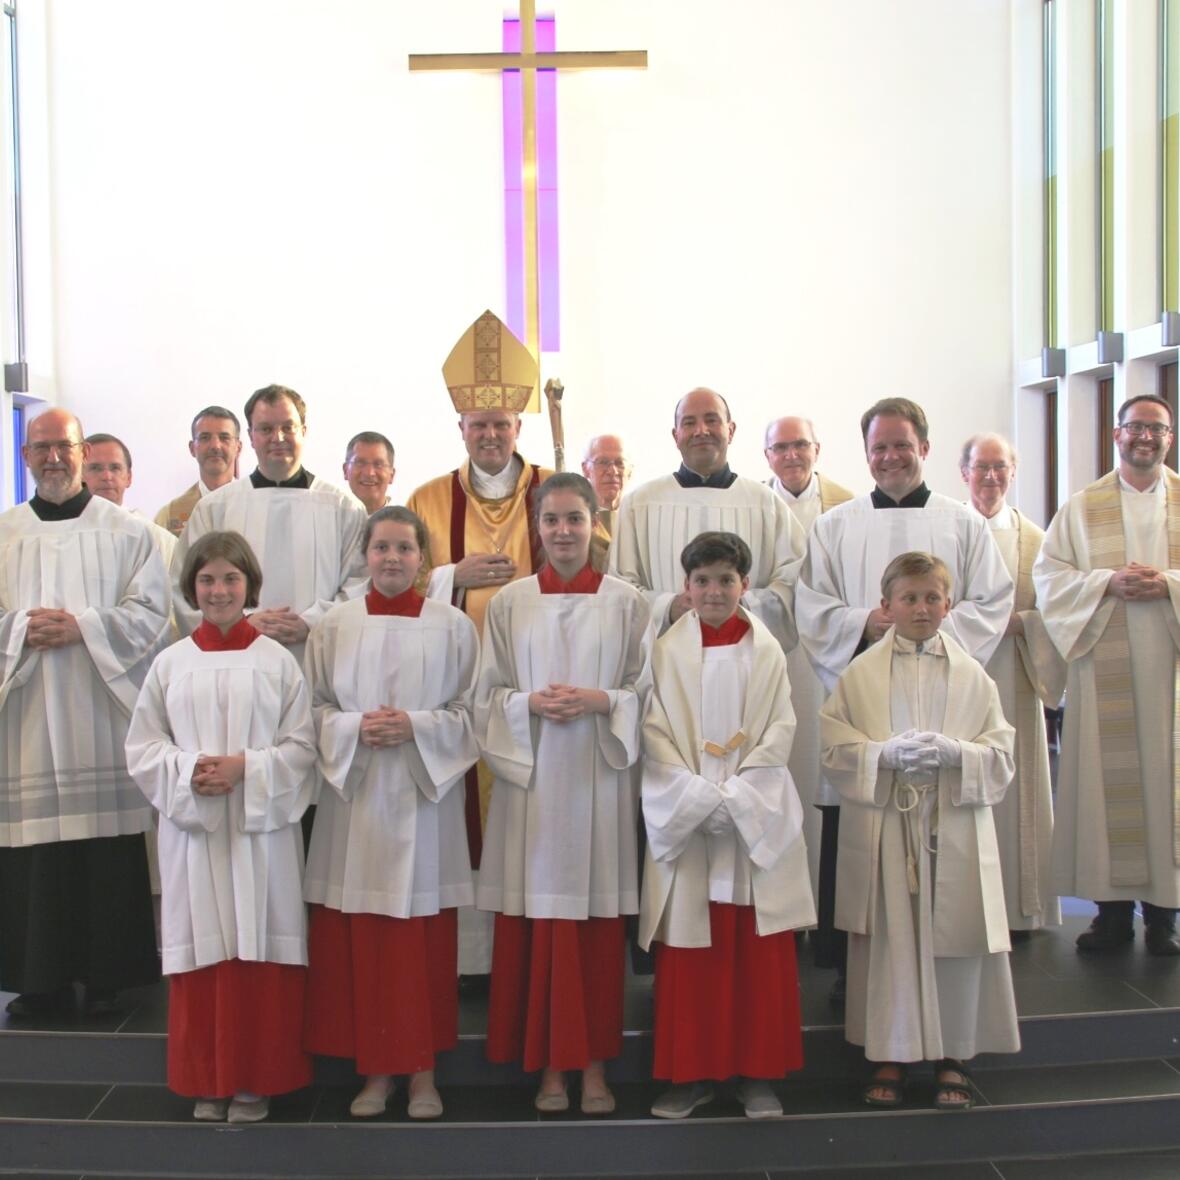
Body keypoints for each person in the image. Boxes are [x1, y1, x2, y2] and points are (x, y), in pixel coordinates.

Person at [796, 397, 1013, 1005]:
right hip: (867, 701)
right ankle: (852, 971)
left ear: (925, 447)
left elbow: (991, 602)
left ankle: (942, 967)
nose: (890, 456)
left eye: (901, 444)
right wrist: (867, 622)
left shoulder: (963, 522)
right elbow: (812, 607)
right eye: (879, 447)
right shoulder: (835, 526)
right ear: (866, 453)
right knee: (858, 828)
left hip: (944, 700)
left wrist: (928, 636)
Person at [125, 531, 317, 1123]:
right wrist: (188, 773)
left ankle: (256, 1080)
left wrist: (247, 769)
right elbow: (143, 746)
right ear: (192, 588)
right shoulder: (170, 662)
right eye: (206, 579)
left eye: (230, 579)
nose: (218, 590)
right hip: (196, 833)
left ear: (249, 586)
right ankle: (208, 1078)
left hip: (261, 837)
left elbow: (304, 747)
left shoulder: (277, 661)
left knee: (258, 950)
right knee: (203, 954)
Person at [820, 551, 1018, 1111]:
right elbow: (833, 750)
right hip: (888, 827)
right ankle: (889, 1052)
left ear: (949, 605)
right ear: (886, 605)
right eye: (909, 598)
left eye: (932, 597)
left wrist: (959, 754)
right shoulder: (857, 675)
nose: (921, 608)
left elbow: (1001, 755)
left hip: (950, 822)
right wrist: (882, 755)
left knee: (952, 939)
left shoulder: (974, 675)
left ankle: (953, 1054)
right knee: (891, 941)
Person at [475, 473, 648, 1115]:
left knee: (597, 932)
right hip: (535, 787)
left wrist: (601, 700)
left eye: (576, 519)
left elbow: (647, 693)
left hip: (600, 784)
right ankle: (550, 1068)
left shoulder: (627, 602)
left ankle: (595, 1067)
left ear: (594, 522)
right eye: (552, 521)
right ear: (537, 526)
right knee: (541, 925)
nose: (564, 532)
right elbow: (483, 697)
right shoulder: (511, 602)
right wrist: (528, 703)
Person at [302, 507, 479, 1120]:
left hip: (425, 803)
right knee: (367, 944)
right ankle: (375, 1072)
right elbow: (314, 711)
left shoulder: (452, 626)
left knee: (422, 944)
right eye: (381, 547)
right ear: (365, 556)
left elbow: (470, 713)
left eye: (405, 548)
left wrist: (415, 726)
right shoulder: (335, 626)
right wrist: (354, 728)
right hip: (357, 805)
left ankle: (424, 1072)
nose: (392, 558)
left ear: (423, 559)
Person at [639, 531, 814, 1121]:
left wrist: (737, 801)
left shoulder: (767, 651)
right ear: (685, 588)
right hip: (690, 820)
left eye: (727, 580)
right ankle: (690, 1076)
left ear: (745, 585)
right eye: (703, 581)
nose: (714, 591)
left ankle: (757, 1076)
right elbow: (654, 732)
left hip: (750, 820)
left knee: (755, 952)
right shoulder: (664, 651)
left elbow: (780, 731)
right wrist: (695, 800)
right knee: (692, 953)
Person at [0, 408, 169, 1017]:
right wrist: (20, 628)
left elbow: (153, 615)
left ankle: (108, 976)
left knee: (104, 847)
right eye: (40, 448)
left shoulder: (127, 532)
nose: (52, 458)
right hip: (26, 720)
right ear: (25, 457)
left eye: (63, 447)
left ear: (82, 451)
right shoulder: (5, 532)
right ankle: (39, 982)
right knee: (35, 854)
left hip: (100, 715)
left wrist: (83, 628)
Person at [406, 310, 554, 978]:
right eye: (478, 425)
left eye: (500, 424)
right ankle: (472, 962)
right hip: (458, 684)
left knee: (533, 815)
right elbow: (399, 587)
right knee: (461, 813)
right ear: (460, 429)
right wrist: (450, 577)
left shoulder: (555, 493)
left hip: (536, 686)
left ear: (517, 428)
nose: (490, 435)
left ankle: (526, 953)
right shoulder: (428, 497)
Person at [1034, 393, 1180, 956]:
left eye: (1157, 430)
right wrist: (1105, 583)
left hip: (1171, 673)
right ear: (1116, 435)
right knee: (1104, 790)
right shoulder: (1082, 506)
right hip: (1105, 671)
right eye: (1136, 428)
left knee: (1169, 791)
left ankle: (1166, 920)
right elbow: (1050, 578)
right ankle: (1112, 917)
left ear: (1169, 438)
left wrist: (1167, 583)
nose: (1146, 438)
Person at [173, 385, 367, 668]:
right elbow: (185, 585)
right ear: (250, 437)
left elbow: (360, 583)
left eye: (288, 427)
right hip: (237, 659)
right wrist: (241, 624)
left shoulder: (343, 508)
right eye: (265, 429)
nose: (278, 438)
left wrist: (311, 623)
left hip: (319, 658)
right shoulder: (216, 507)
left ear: (304, 430)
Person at [960, 433, 1064, 936]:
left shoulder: (1037, 540)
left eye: (1000, 467)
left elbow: (1059, 610)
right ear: (964, 473)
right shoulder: (949, 529)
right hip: (961, 675)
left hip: (1015, 672)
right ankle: (964, 906)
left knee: (1018, 785)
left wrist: (1024, 623)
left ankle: (1023, 909)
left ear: (1013, 472)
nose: (991, 477)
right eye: (981, 467)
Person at [610, 389, 803, 646]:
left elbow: (794, 584)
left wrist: (737, 603)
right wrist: (668, 607)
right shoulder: (639, 503)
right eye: (689, 423)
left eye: (712, 420)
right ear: (675, 435)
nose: (701, 430)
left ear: (730, 430)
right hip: (667, 659)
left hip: (745, 655)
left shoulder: (765, 503)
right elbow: (620, 587)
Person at [763, 415, 853, 897]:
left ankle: (822, 896)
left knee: (819, 768)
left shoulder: (850, 508)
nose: (791, 455)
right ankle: (779, 895)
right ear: (767, 456)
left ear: (818, 448)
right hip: (770, 660)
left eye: (801, 445)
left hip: (826, 662)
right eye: (781, 447)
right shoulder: (754, 503)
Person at [84, 432, 178, 569]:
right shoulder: (62, 535)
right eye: (95, 468)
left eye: (115, 468)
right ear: (78, 476)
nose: (106, 476)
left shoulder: (158, 540)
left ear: (129, 477)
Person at [154, 406, 243, 538]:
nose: (215, 446)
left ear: (238, 448)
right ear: (192, 448)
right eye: (205, 438)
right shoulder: (168, 516)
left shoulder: (256, 506)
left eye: (224, 437)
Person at [580, 433, 631, 539]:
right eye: (603, 462)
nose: (612, 471)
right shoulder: (575, 522)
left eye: (619, 463)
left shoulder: (642, 520)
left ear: (630, 471)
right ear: (585, 469)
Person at [343, 431, 396, 514]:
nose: (369, 473)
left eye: (378, 464)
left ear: (392, 475)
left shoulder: (409, 525)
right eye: (360, 463)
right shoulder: (328, 521)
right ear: (345, 471)